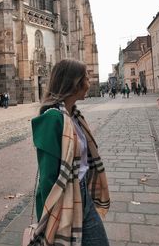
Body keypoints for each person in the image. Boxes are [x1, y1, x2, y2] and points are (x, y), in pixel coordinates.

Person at [31, 59, 110, 246]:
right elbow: (48, 177)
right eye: (86, 78)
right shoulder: (53, 119)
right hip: (66, 196)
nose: (89, 82)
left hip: (82, 193)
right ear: (74, 83)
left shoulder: (74, 116)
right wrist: (46, 219)